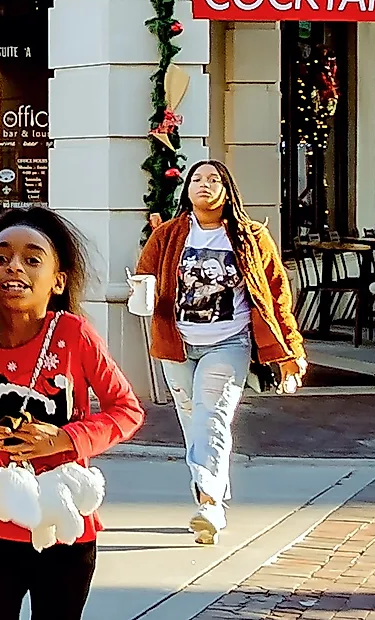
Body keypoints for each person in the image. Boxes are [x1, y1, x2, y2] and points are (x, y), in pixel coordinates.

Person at [0, 207, 142, 620]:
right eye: (0, 258)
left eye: (32, 259)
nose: (14, 267)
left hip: (64, 529)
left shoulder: (75, 335)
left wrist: (65, 440)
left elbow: (126, 410)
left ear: (58, 280)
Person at [131, 159, 305, 544]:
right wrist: (141, 293)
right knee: (192, 419)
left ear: (227, 190)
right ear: (187, 190)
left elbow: (276, 293)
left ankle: (209, 504)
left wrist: (291, 348)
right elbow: (145, 277)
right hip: (176, 344)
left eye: (213, 179)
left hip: (229, 341)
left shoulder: (250, 236)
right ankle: (209, 487)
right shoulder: (168, 235)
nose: (204, 185)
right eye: (196, 179)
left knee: (211, 417)